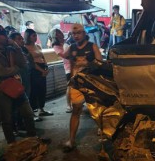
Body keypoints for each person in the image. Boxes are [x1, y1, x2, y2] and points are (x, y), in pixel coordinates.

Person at [0, 25, 37, 144]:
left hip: (16, 86)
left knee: (28, 113)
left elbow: (23, 63)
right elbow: (1, 71)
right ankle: (11, 144)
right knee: (7, 119)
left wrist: (15, 46)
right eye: (2, 35)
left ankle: (33, 140)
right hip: (1, 89)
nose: (5, 36)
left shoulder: (10, 48)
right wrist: (16, 68)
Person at [62, 23, 102, 152]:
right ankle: (71, 140)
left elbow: (101, 64)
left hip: (91, 83)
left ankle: (104, 132)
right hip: (77, 84)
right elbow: (65, 57)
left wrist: (89, 63)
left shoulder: (92, 46)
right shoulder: (72, 47)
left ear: (84, 34)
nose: (76, 35)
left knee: (97, 109)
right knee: (76, 110)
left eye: (79, 33)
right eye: (74, 33)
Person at [24, 29, 53, 119]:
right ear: (28, 37)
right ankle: (33, 111)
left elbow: (43, 57)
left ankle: (41, 109)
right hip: (34, 70)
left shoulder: (37, 46)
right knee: (34, 91)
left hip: (42, 68)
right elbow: (31, 62)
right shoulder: (26, 47)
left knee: (42, 90)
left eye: (36, 35)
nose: (35, 37)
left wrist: (46, 67)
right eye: (33, 36)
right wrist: (41, 70)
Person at [48, 28, 72, 113]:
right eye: (57, 33)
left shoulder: (66, 41)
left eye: (60, 32)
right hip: (69, 67)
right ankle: (68, 105)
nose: (60, 34)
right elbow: (64, 55)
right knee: (70, 86)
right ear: (55, 36)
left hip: (76, 65)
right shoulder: (56, 45)